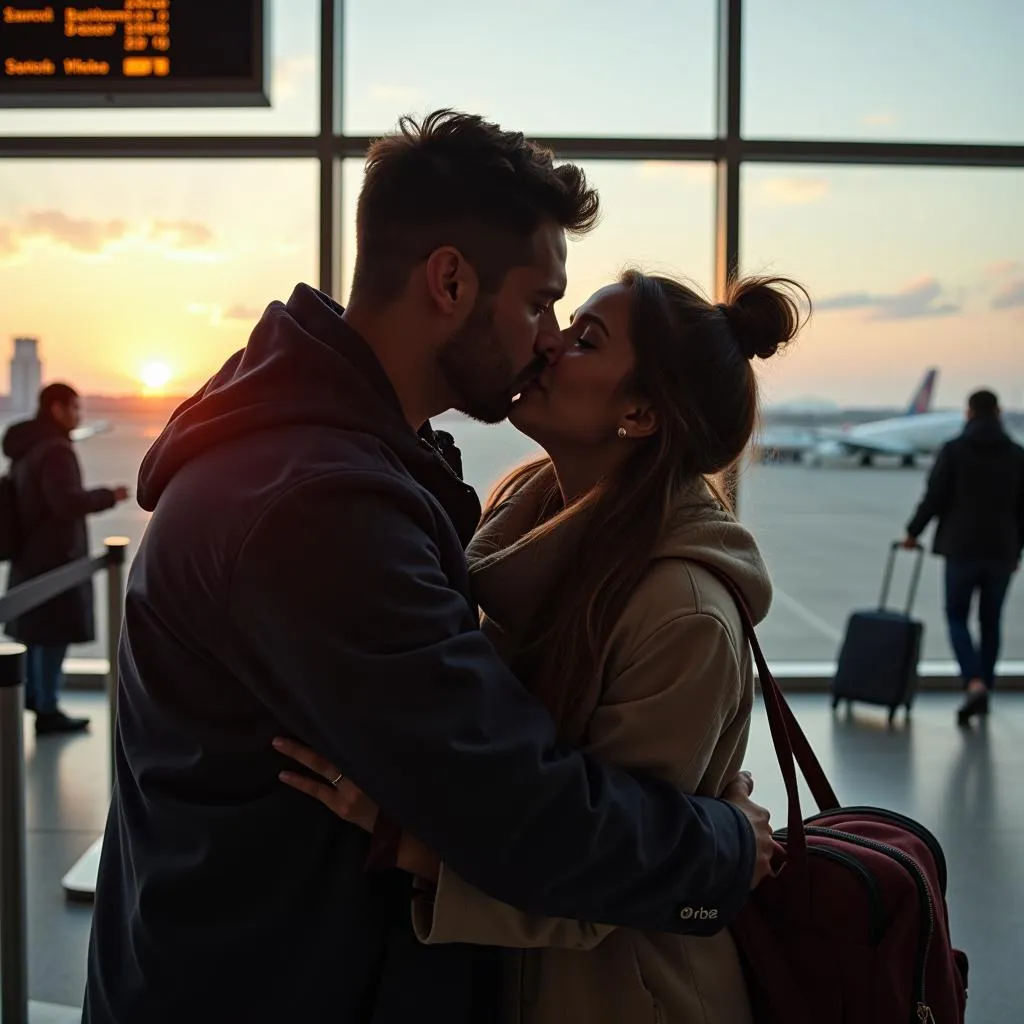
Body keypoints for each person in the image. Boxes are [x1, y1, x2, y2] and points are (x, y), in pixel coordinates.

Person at [84, 110, 774, 1024]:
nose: (548, 339)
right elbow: (519, 806)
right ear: (450, 280)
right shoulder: (320, 509)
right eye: (539, 303)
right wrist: (723, 850)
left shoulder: (331, 457)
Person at [277, 271, 805, 1024]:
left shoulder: (680, 612)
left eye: (585, 340)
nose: (550, 342)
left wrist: (407, 837)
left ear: (641, 412)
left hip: (627, 995)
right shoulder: (521, 517)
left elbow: (615, 874)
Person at [2, 383, 129, 735]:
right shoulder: (56, 450)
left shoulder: (25, 448)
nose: (79, 415)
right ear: (57, 408)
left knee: (37, 636)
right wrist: (109, 495)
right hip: (56, 558)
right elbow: (66, 503)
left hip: (28, 556)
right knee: (53, 636)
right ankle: (47, 707)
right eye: (75, 408)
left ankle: (36, 696)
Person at [903, 388, 1024, 726]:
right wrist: (1018, 550)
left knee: (957, 618)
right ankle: (985, 687)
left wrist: (913, 532)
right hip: (1001, 552)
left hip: (961, 550)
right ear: (998, 412)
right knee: (991, 621)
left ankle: (973, 682)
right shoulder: (1017, 454)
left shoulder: (954, 451)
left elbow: (934, 497)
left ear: (969, 413)